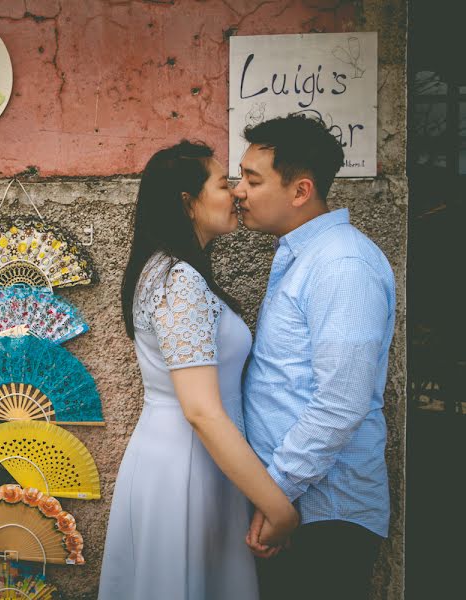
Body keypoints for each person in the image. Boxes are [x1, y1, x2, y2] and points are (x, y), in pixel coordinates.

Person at [98, 141, 299, 600]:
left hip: (185, 457)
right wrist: (279, 508)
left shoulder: (168, 271)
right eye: (222, 183)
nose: (235, 194)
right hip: (189, 463)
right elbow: (202, 411)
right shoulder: (178, 280)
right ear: (187, 202)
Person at [234, 114, 395, 600]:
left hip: (324, 513)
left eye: (253, 179)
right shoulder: (303, 255)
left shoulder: (341, 264)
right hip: (297, 504)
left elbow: (340, 402)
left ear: (300, 191)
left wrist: (276, 493)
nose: (239, 190)